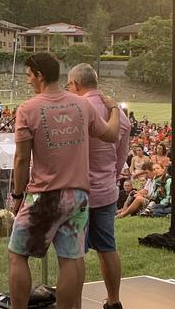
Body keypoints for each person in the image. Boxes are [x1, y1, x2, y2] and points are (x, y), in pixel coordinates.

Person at [8, 52, 120, 309]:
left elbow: (22, 160)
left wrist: (17, 196)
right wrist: (114, 108)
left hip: (44, 195)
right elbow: (112, 134)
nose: (27, 81)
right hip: (79, 196)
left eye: (28, 75)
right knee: (71, 258)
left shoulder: (27, 109)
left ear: (39, 75)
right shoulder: (83, 105)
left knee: (17, 254)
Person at [67, 63, 130, 309]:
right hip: (106, 189)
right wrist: (109, 175)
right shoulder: (116, 112)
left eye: (69, 84)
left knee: (75, 253)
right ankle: (114, 300)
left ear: (76, 84)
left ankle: (75, 305)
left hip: (79, 191)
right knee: (107, 247)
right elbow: (121, 154)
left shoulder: (77, 109)